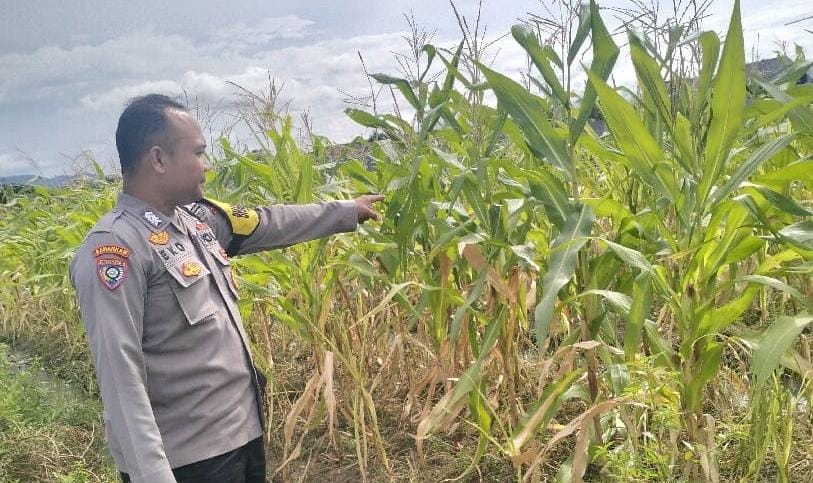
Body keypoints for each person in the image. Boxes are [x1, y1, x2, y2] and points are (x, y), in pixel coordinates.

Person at [69, 94, 384, 483]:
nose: (207, 165)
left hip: (242, 437)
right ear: (159, 159)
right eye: (198, 153)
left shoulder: (197, 222)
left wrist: (345, 211)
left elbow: (268, 222)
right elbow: (121, 380)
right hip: (189, 462)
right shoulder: (116, 247)